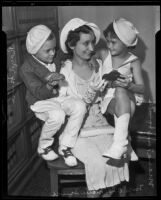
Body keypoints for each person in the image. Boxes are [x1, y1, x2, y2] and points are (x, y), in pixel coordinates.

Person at [58, 18, 131, 197]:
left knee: (115, 158)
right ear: (71, 45)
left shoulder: (96, 66)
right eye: (86, 43)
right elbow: (64, 106)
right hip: (77, 131)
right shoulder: (64, 72)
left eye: (92, 43)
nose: (91, 48)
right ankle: (98, 190)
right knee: (97, 163)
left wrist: (114, 84)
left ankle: (109, 190)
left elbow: (107, 95)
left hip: (100, 125)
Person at [19, 24, 87, 167]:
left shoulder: (53, 55)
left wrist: (90, 58)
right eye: (48, 51)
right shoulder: (26, 68)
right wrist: (50, 84)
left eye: (54, 49)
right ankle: (44, 146)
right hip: (40, 101)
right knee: (58, 115)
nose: (53, 53)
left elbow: (70, 53)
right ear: (34, 50)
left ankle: (65, 145)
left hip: (58, 98)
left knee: (80, 106)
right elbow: (38, 92)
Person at [91, 18, 145, 159]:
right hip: (109, 99)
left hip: (130, 100)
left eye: (113, 42)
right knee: (119, 96)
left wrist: (129, 85)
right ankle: (125, 145)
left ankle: (119, 146)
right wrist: (94, 65)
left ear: (126, 43)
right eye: (107, 41)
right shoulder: (103, 54)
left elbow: (142, 88)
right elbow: (88, 59)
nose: (109, 45)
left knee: (121, 89)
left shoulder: (134, 61)